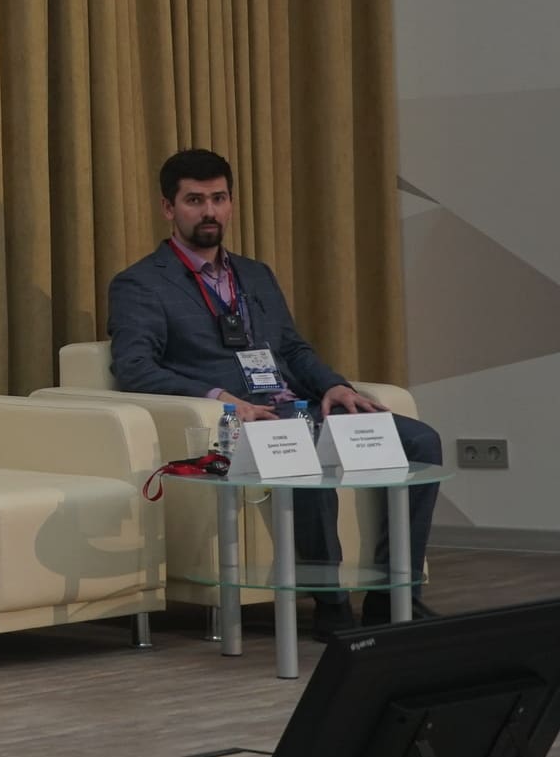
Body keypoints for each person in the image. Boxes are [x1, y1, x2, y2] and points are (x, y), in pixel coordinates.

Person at [109, 148, 442, 634]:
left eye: (219, 199)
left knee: (421, 441)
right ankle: (331, 604)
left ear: (231, 203)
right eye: (195, 200)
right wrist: (220, 398)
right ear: (168, 208)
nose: (209, 211)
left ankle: (394, 598)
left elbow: (292, 348)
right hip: (242, 423)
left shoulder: (255, 275)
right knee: (300, 445)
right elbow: (134, 368)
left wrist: (334, 385)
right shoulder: (141, 284)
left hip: (300, 407)